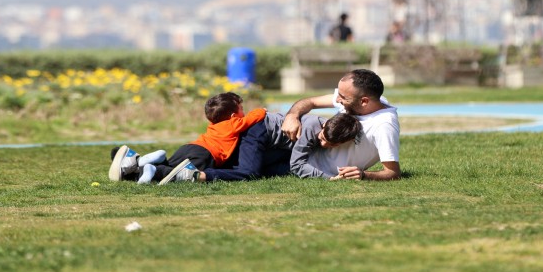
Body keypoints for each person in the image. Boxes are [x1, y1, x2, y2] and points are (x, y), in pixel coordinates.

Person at [160, 112, 363, 184]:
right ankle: (199, 175)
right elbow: (298, 165)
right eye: (323, 137)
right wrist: (329, 179)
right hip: (260, 132)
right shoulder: (312, 127)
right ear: (325, 125)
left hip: (273, 145)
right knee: (249, 173)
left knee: (276, 171)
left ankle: (157, 169)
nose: (324, 143)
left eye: (331, 144)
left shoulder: (338, 133)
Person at [109, 92, 265, 184]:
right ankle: (155, 170)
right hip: (206, 154)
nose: (243, 113)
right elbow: (252, 117)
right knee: (175, 173)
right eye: (242, 109)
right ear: (232, 115)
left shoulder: (214, 124)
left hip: (190, 147)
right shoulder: (233, 123)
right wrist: (262, 110)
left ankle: (137, 161)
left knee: (172, 164)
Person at [281, 69, 401, 181]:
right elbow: (310, 102)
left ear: (364, 101)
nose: (337, 100)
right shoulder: (355, 100)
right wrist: (292, 115)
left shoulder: (384, 125)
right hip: (294, 149)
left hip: (308, 168)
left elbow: (392, 172)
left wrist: (363, 175)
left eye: (343, 97)